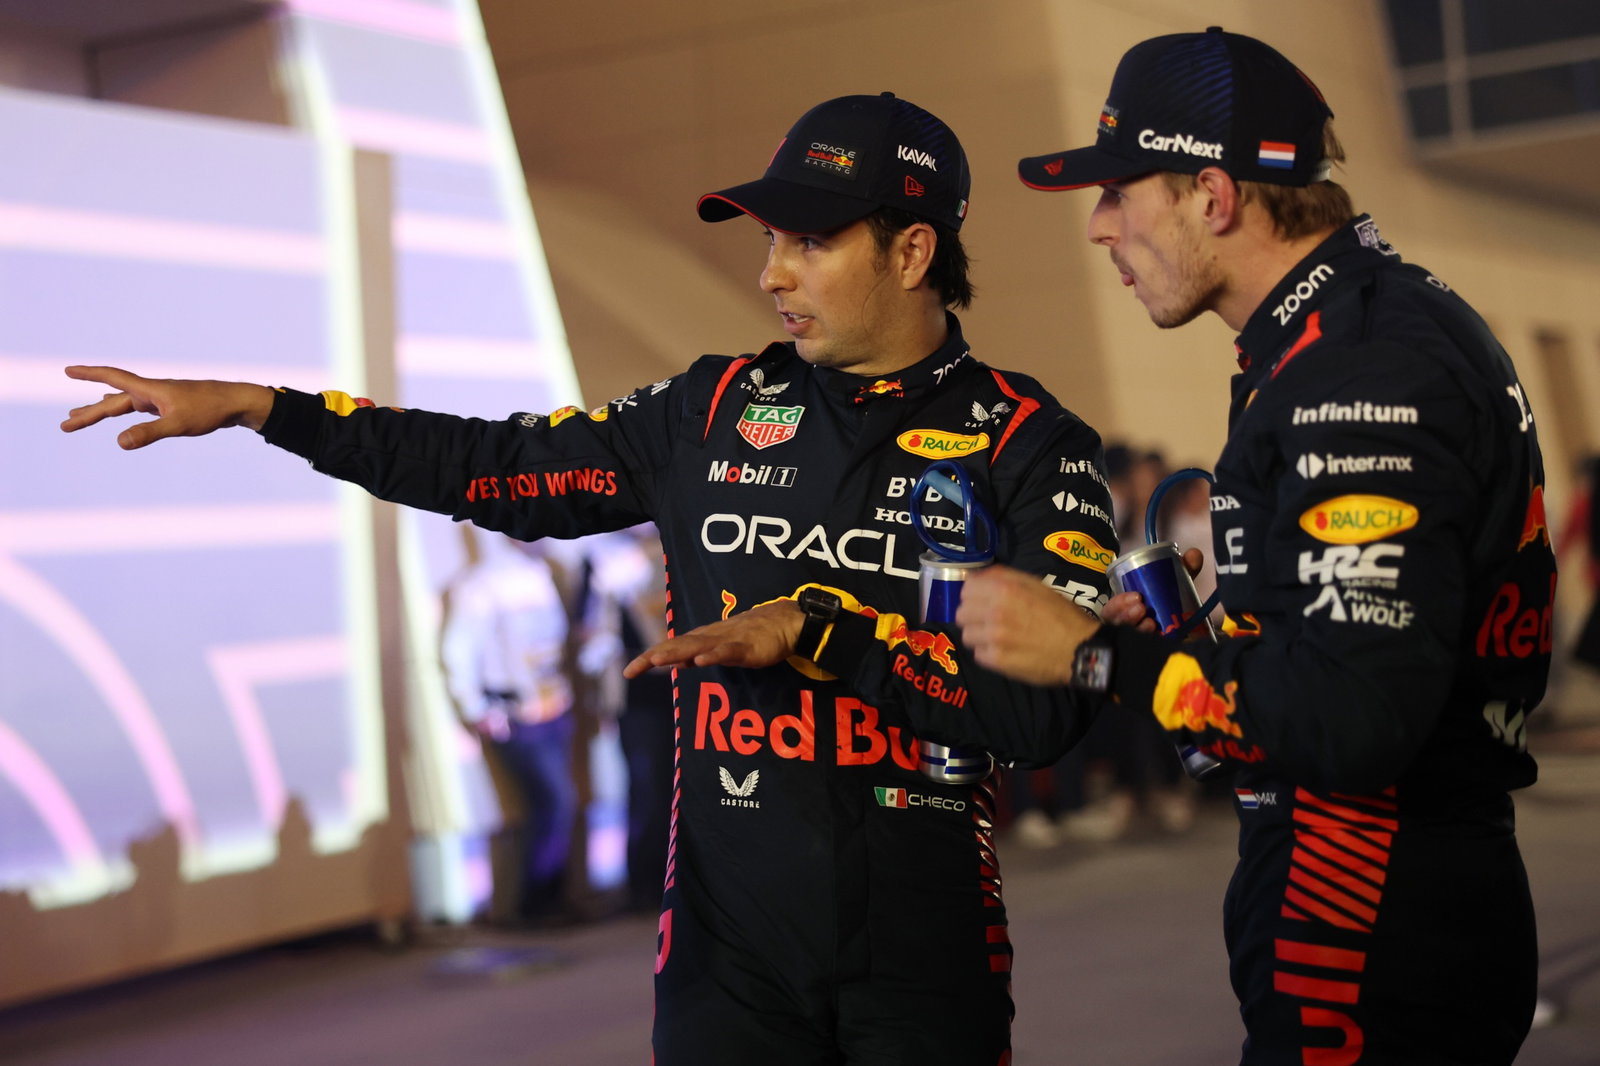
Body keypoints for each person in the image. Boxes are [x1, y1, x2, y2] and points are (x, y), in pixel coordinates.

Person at [61, 92, 1115, 1064]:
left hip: (922, 953)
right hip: (724, 959)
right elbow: (495, 467)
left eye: (809, 241)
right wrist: (271, 410)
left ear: (911, 250)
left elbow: (1043, 716)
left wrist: (820, 632)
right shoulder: (709, 412)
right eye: (767, 241)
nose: (772, 273)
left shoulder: (1027, 443)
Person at [953, 26, 1554, 1065]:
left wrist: (1092, 655)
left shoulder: (1359, 366)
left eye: (1117, 192)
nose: (1099, 229)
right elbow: (1363, 641)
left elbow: (1351, 714)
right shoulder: (1338, 336)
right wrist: (1231, 620)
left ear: (1212, 196)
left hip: (1370, 916)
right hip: (1381, 902)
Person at [439, 531, 579, 924]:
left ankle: (549, 899)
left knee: (555, 807)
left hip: (553, 707)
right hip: (514, 714)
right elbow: (458, 649)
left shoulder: (540, 574)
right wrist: (476, 708)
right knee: (552, 805)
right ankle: (532, 906)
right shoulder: (481, 584)